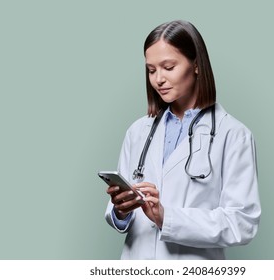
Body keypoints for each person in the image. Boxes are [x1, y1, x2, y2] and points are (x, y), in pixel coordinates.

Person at [105, 20, 261, 260]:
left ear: (196, 65)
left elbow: (242, 223)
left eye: (168, 67)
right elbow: (120, 220)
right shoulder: (138, 132)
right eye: (151, 69)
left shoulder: (233, 134)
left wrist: (167, 218)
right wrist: (121, 210)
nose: (158, 79)